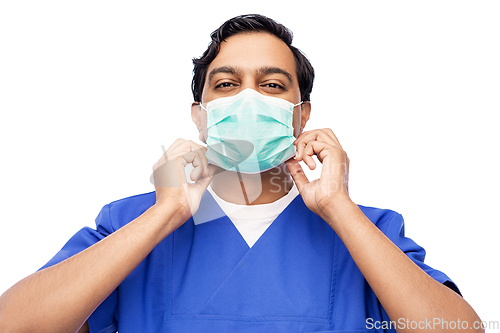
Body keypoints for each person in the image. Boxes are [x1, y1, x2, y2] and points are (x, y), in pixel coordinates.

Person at [0, 14, 482, 333]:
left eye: (272, 85)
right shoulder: (130, 222)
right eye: (227, 84)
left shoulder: (367, 231)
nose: (248, 98)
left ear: (301, 114)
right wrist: (165, 215)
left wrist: (339, 208)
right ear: (200, 114)